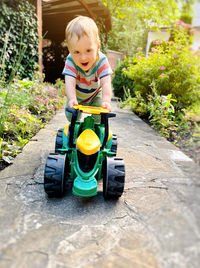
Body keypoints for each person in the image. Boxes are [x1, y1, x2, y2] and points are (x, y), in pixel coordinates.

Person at [62, 16, 113, 122]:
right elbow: (69, 82)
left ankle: (95, 128)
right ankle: (76, 127)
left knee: (100, 115)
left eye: (88, 50)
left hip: (95, 95)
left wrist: (106, 101)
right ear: (70, 50)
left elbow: (106, 82)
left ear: (98, 46)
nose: (83, 57)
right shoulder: (71, 60)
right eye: (76, 52)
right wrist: (72, 99)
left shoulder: (101, 60)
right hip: (76, 96)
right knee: (70, 114)